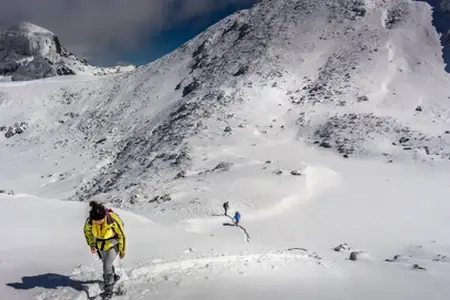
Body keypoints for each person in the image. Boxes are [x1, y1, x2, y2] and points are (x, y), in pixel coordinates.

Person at [83, 201, 126, 297]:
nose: (99, 222)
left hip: (113, 243)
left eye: (101, 220)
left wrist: (122, 250)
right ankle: (113, 277)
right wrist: (92, 245)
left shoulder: (113, 220)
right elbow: (88, 232)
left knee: (106, 266)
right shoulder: (90, 221)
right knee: (107, 264)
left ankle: (108, 289)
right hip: (100, 245)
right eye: (96, 221)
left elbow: (122, 235)